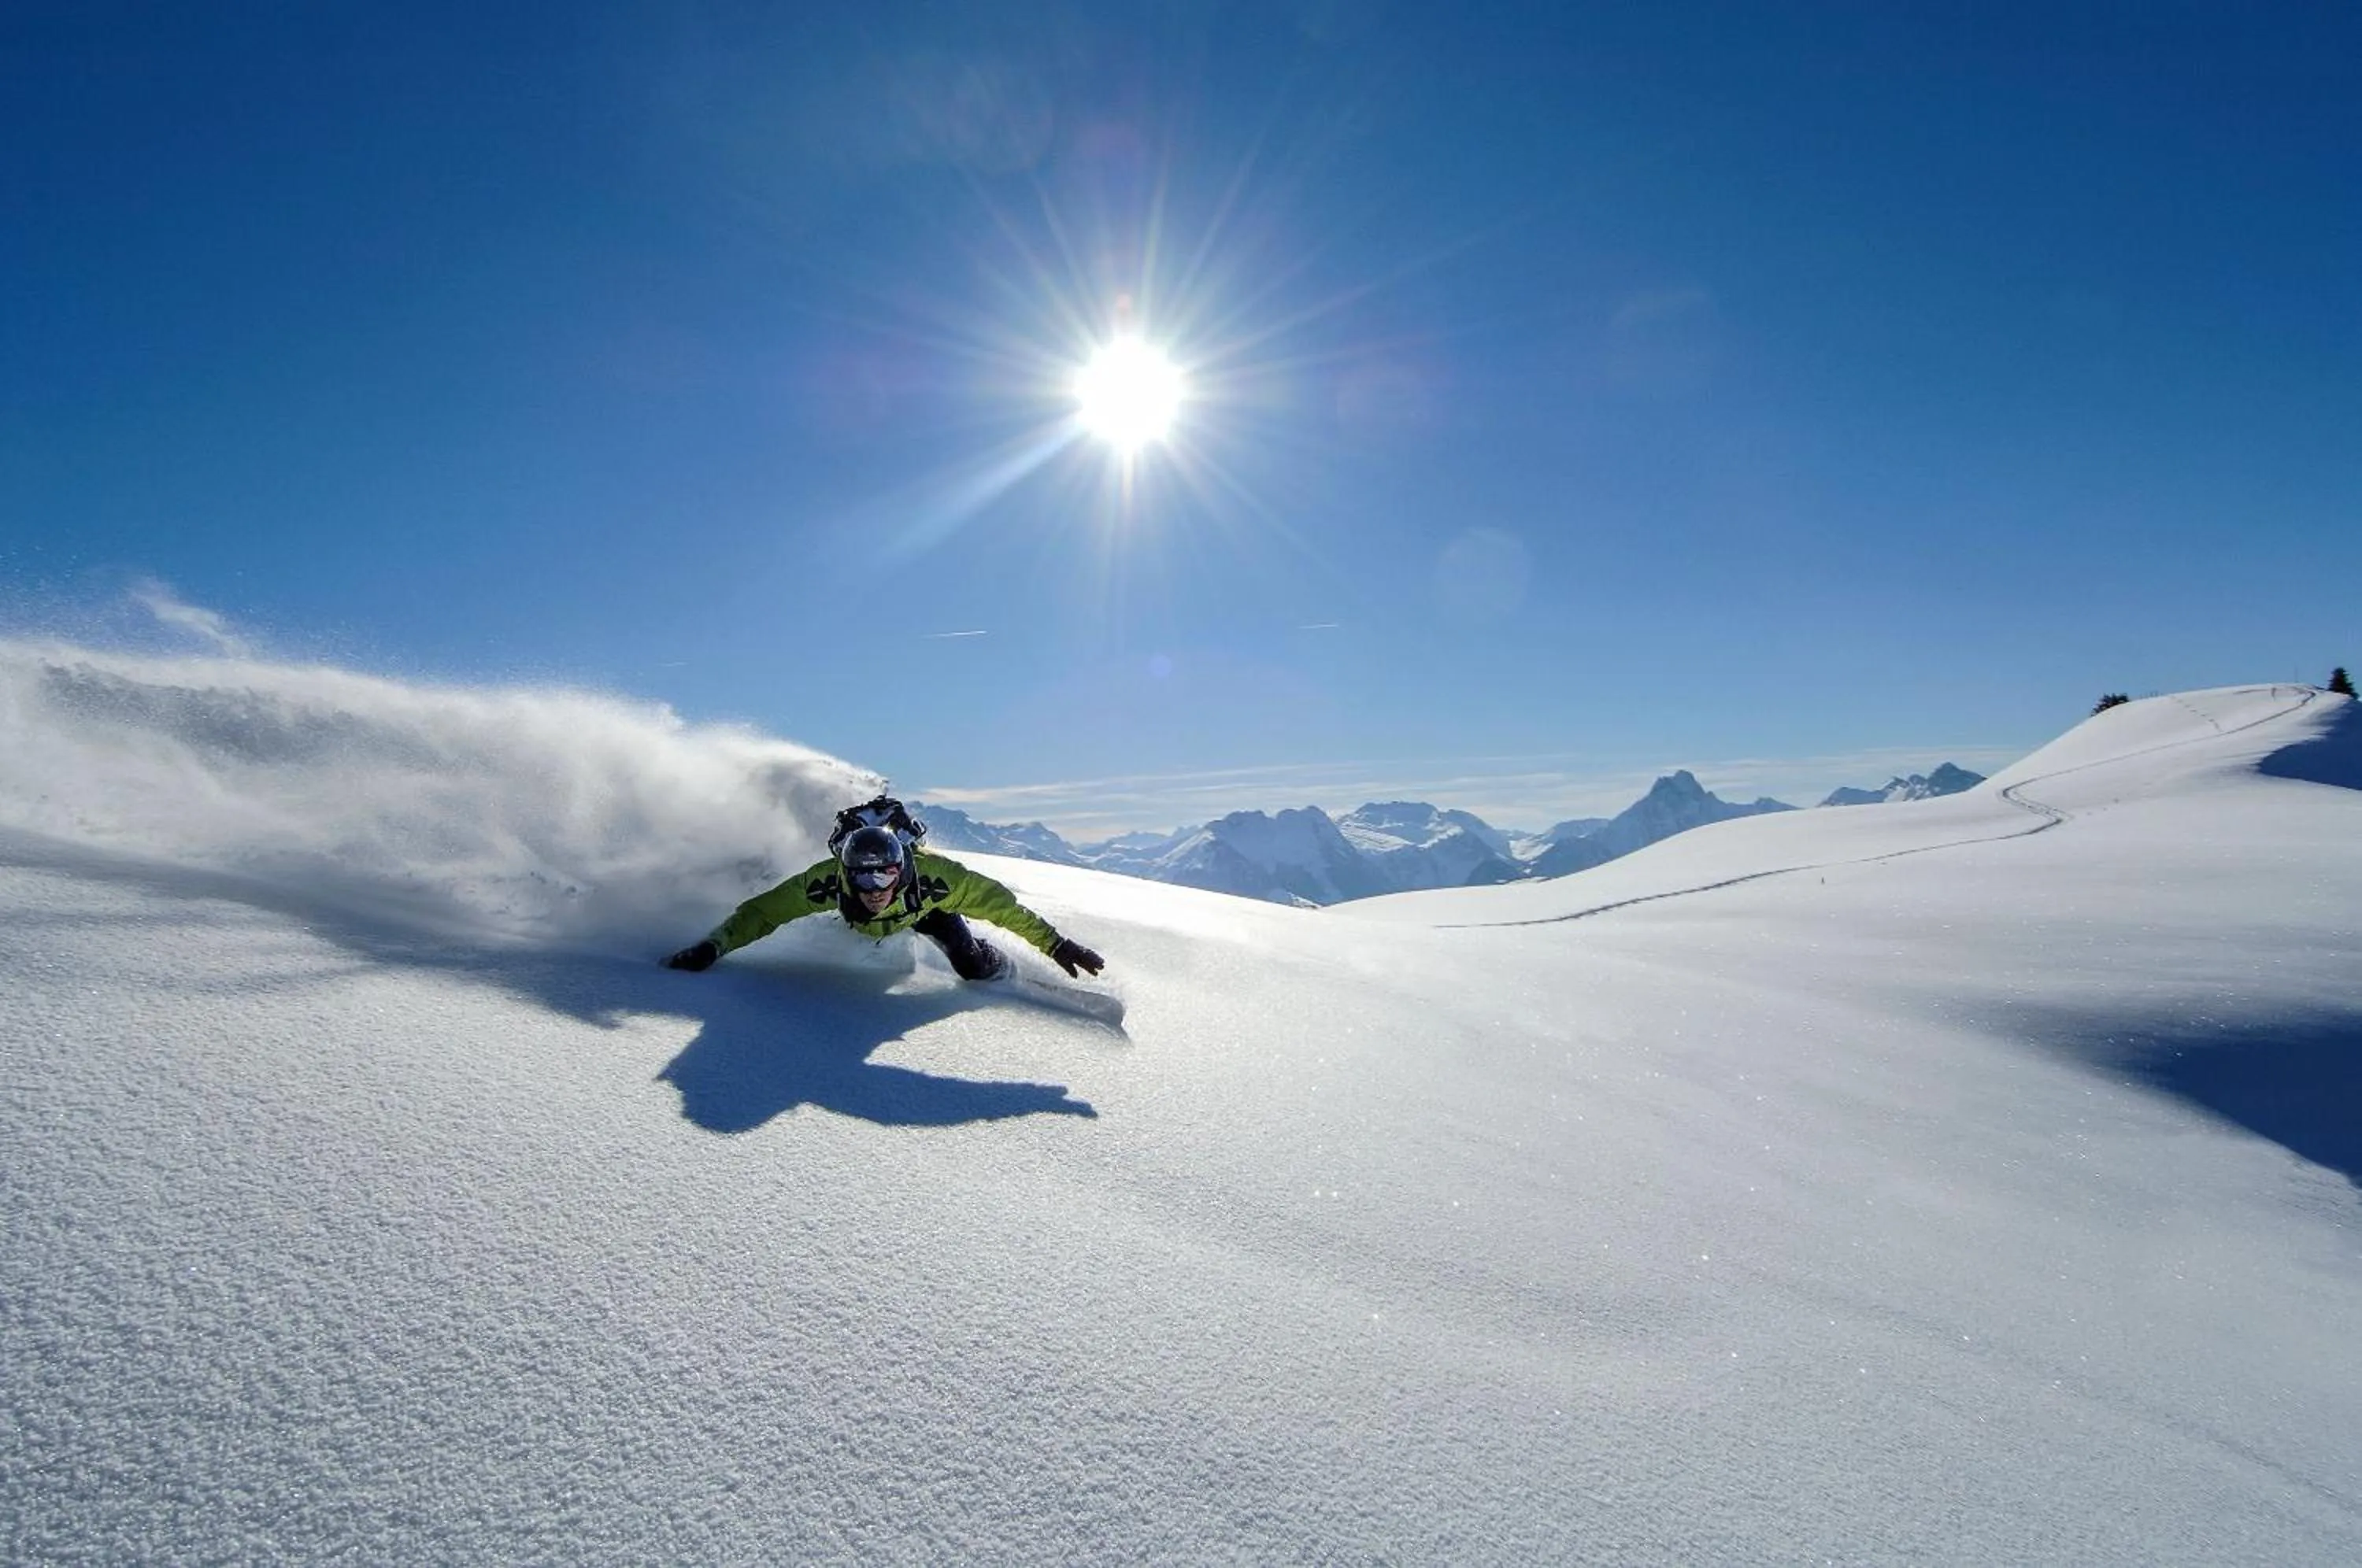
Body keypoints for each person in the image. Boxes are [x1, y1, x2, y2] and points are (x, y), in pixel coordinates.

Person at [661, 802, 1105, 983]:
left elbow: (1003, 907)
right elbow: (763, 913)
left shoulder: (938, 880)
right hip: (865, 914)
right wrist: (713, 947)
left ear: (902, 868)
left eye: (886, 875)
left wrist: (1057, 944)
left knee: (969, 966)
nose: (875, 888)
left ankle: (999, 966)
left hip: (924, 911)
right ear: (845, 873)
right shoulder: (826, 883)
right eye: (863, 878)